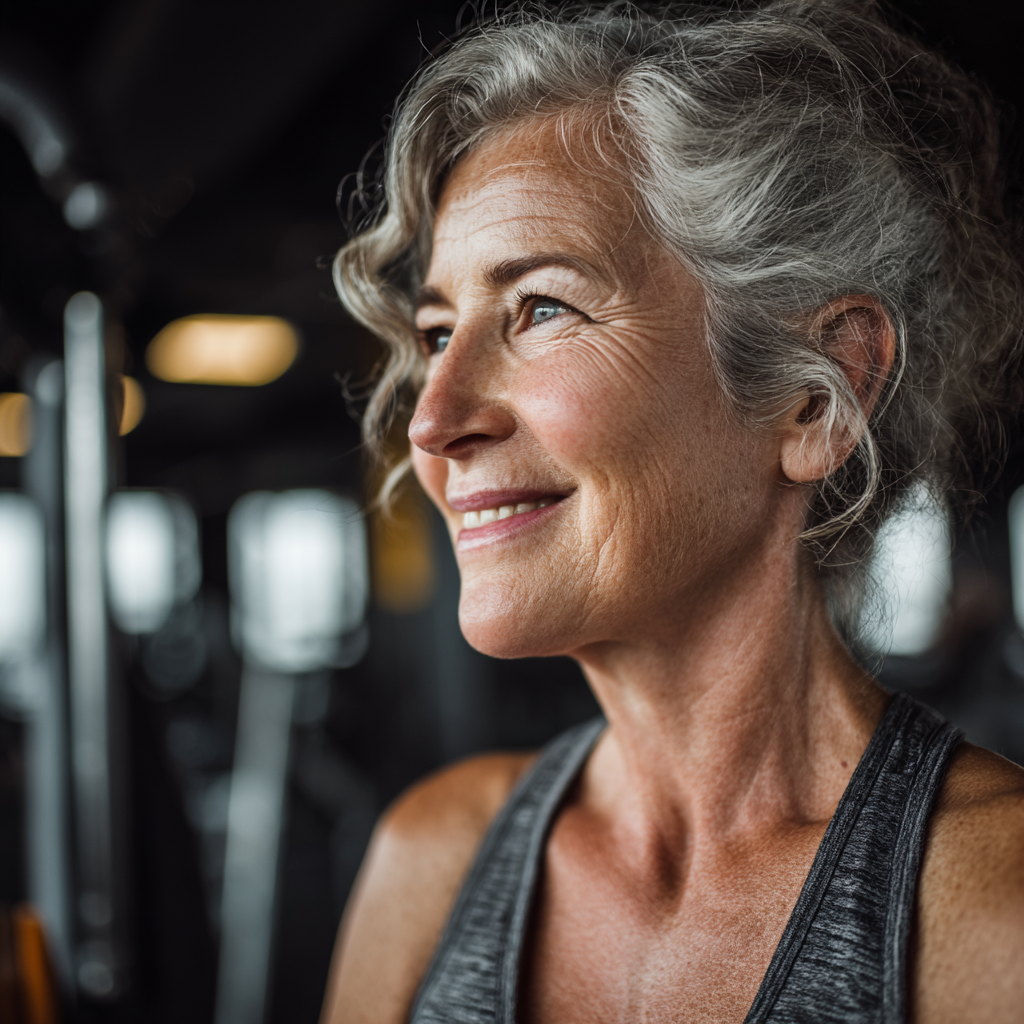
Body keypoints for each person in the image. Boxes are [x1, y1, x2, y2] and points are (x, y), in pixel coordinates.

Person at [322, 3, 1024, 1021]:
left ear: (815, 394)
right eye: (436, 333)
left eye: (541, 308)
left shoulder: (993, 913)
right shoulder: (430, 861)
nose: (433, 419)